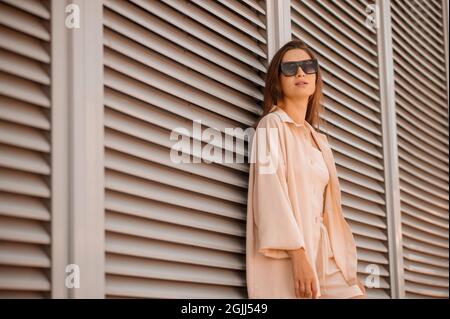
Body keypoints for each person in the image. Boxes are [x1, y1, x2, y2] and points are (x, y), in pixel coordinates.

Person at [246, 39, 367, 299]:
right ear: (277, 81)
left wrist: (346, 269)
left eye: (307, 66)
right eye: (290, 68)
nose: (300, 73)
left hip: (326, 257)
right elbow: (269, 195)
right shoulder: (271, 127)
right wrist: (298, 255)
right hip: (291, 258)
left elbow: (329, 214)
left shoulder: (319, 141)